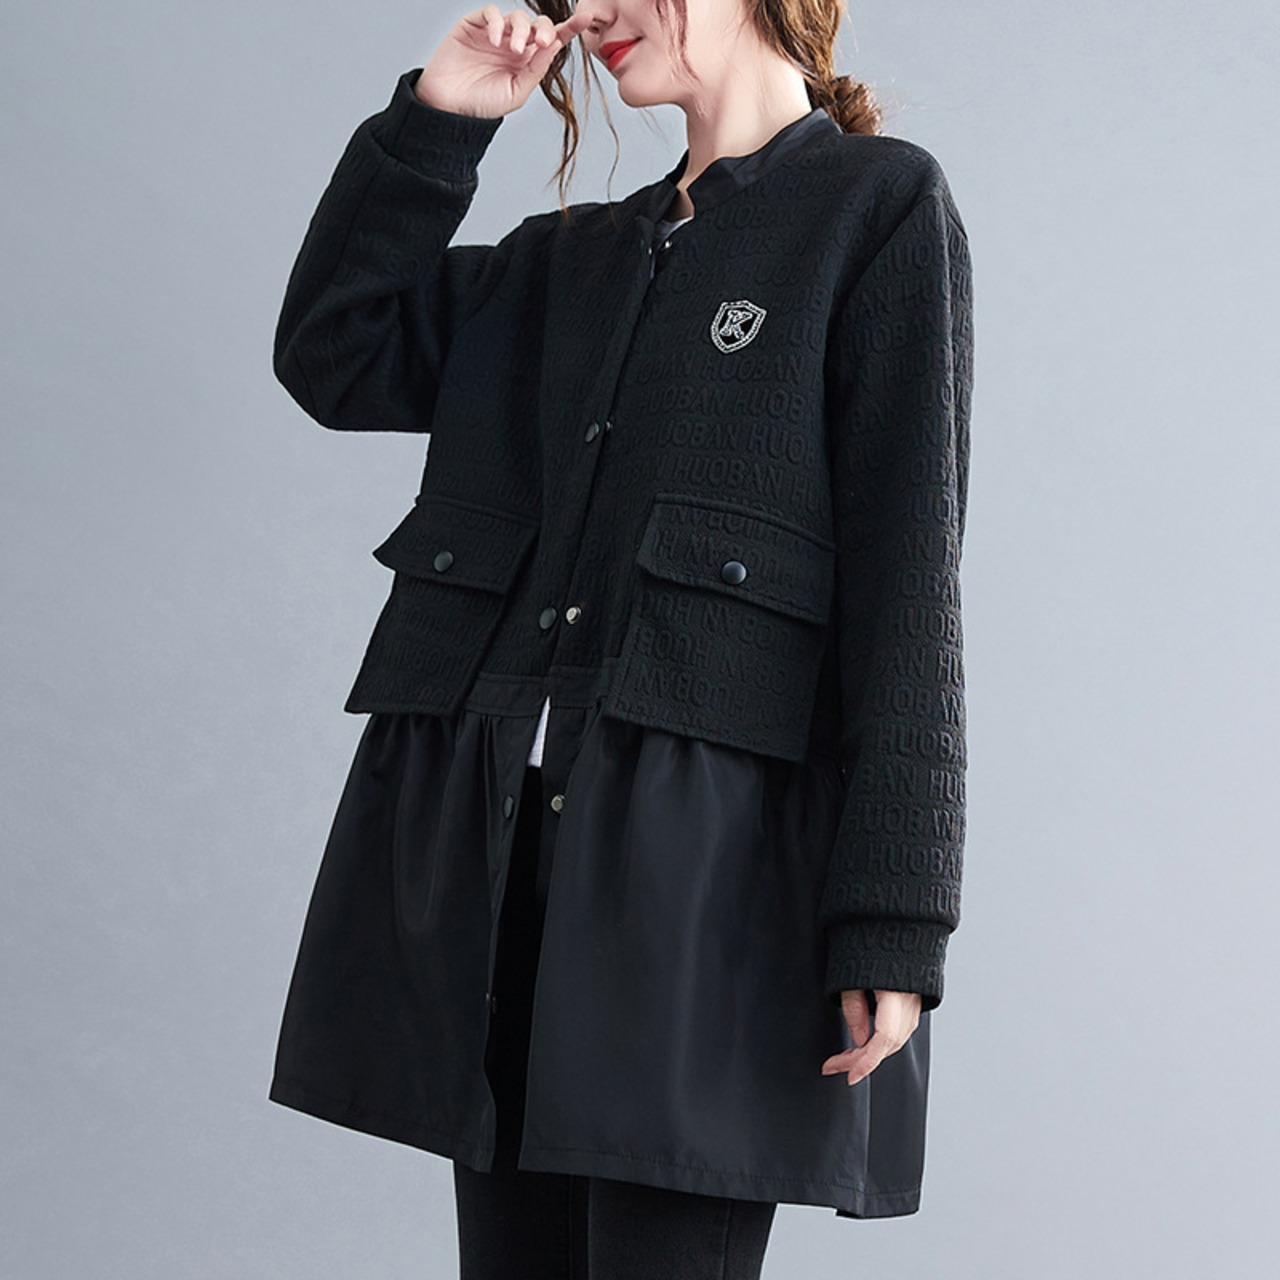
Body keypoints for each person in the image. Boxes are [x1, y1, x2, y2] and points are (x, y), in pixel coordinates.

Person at [269, 2, 973, 1276]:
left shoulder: (873, 207)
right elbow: (337, 349)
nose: (587, 11)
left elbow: (906, 584)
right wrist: (440, 120)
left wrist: (892, 920)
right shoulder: (564, 260)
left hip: (707, 880)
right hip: (508, 860)